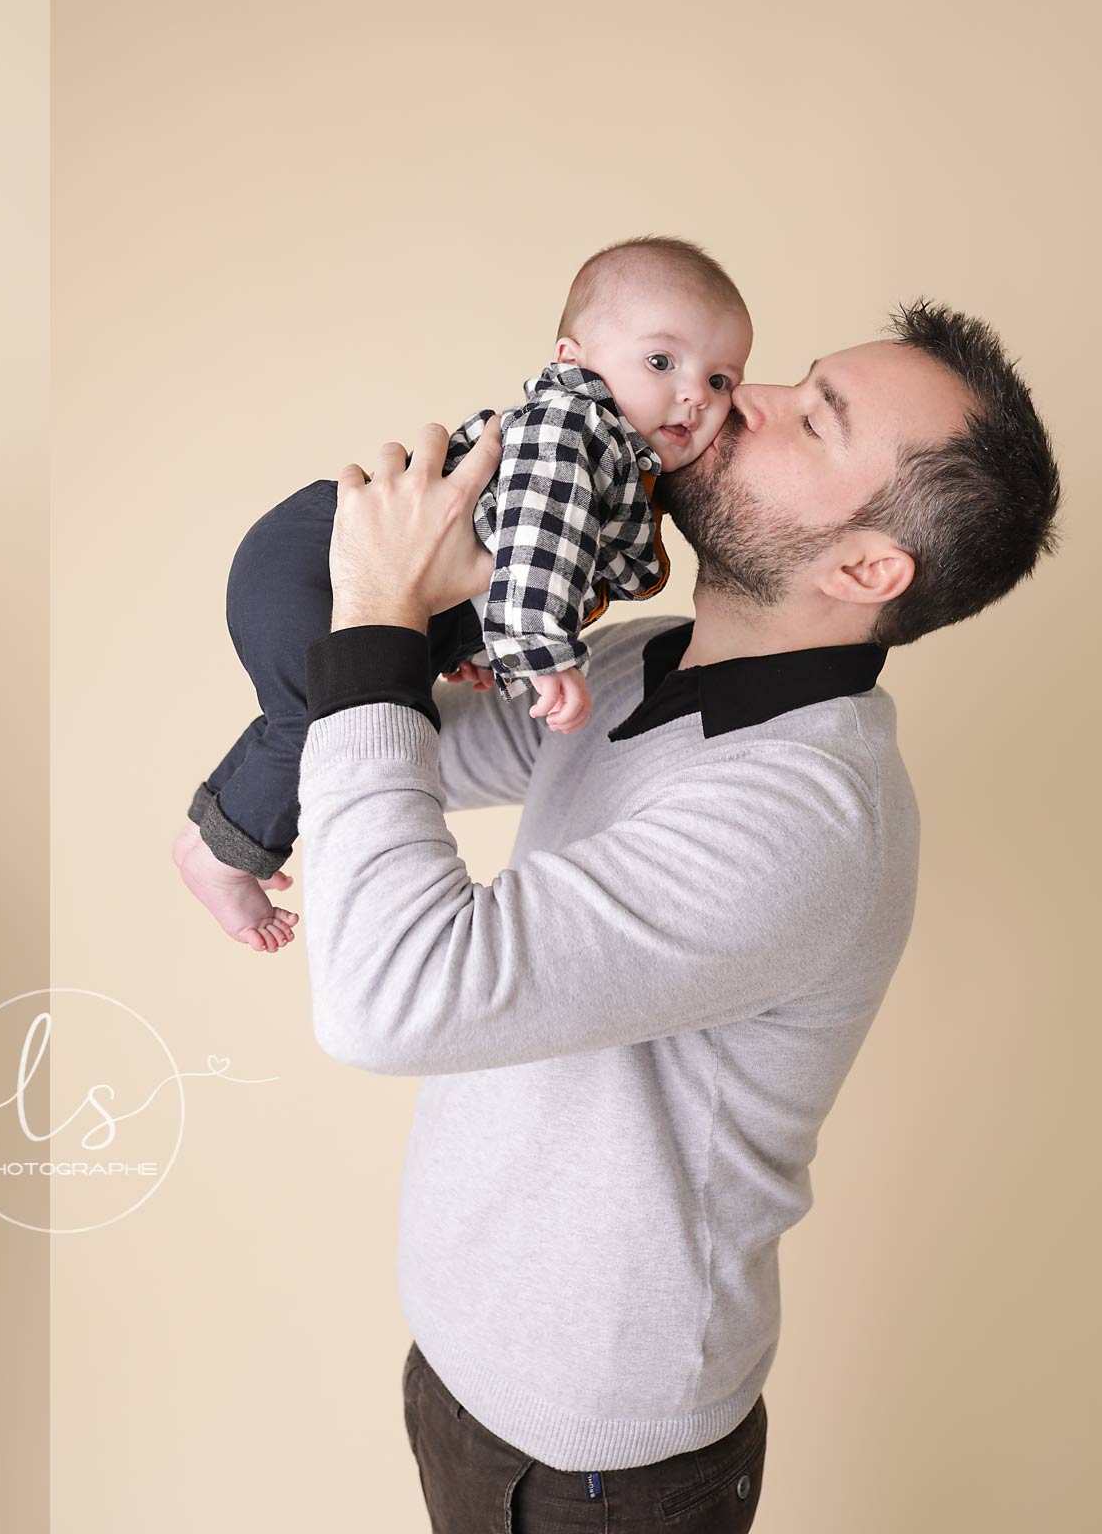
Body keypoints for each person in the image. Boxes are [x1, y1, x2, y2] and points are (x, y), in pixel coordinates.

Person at [297, 302, 1059, 1531]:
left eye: (810, 418)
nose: (739, 396)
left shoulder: (803, 815)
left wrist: (378, 616)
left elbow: (387, 993)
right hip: (459, 1367)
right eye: (792, 378)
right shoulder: (636, 662)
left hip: (596, 1466)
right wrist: (405, 563)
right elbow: (363, 737)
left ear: (867, 568)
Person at [176, 237, 751, 951]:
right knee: (329, 721)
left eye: (722, 379)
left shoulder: (615, 456)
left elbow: (497, 552)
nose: (694, 395)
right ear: (572, 359)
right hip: (323, 559)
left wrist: (469, 639)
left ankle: (214, 828)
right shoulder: (578, 426)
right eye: (661, 362)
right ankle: (221, 859)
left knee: (304, 712)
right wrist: (536, 648)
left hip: (355, 570)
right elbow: (538, 536)